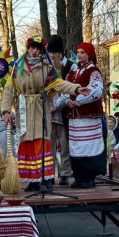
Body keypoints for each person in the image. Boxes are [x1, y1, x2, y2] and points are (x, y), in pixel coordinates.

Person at [1, 36, 87, 192]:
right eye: (32, 48)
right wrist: (6, 111)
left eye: (38, 49)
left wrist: (76, 88)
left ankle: (46, 180)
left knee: (42, 144)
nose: (35, 51)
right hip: (24, 110)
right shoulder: (17, 68)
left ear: (42, 51)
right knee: (27, 144)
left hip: (41, 109)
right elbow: (9, 91)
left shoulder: (47, 67)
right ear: (28, 49)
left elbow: (59, 84)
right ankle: (32, 180)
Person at [65, 42, 107, 188]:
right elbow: (65, 89)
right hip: (74, 118)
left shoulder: (93, 71)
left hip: (89, 117)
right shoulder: (73, 72)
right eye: (78, 52)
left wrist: (78, 101)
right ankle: (78, 177)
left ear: (90, 54)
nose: (79, 55)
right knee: (76, 147)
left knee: (89, 146)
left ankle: (89, 178)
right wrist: (64, 102)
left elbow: (95, 91)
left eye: (83, 52)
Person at [47, 34, 73, 185]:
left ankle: (64, 173)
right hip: (49, 112)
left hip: (63, 112)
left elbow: (69, 90)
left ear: (60, 53)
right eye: (49, 53)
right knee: (48, 145)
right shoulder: (46, 66)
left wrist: (57, 105)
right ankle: (49, 173)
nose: (51, 56)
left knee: (64, 144)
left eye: (53, 53)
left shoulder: (70, 66)